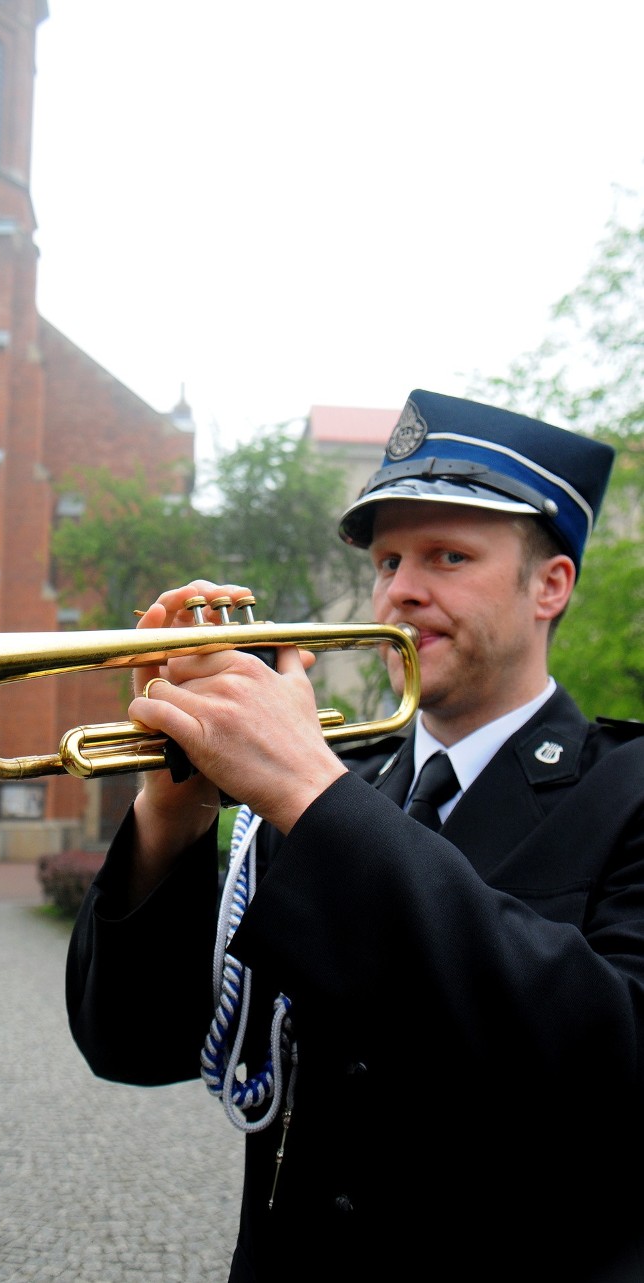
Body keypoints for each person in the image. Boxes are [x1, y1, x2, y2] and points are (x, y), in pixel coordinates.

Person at [66, 389, 644, 1282]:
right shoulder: (345, 786)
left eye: (448, 555)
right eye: (387, 560)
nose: (401, 589)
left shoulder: (626, 788)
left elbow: (609, 1063)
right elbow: (134, 1045)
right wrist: (172, 809)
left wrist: (306, 782)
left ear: (550, 585)